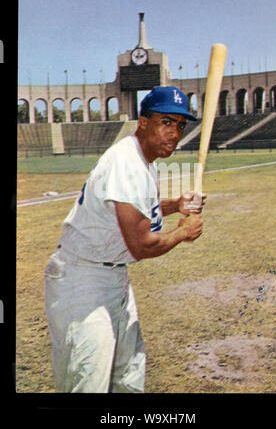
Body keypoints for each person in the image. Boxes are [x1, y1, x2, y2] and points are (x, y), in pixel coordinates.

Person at [44, 86, 205, 393]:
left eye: (181, 126)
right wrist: (184, 232)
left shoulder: (142, 160)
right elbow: (141, 244)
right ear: (142, 122)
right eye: (166, 122)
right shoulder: (126, 162)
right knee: (88, 382)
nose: (175, 133)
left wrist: (177, 205)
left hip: (112, 275)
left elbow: (143, 212)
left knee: (129, 377)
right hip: (82, 280)